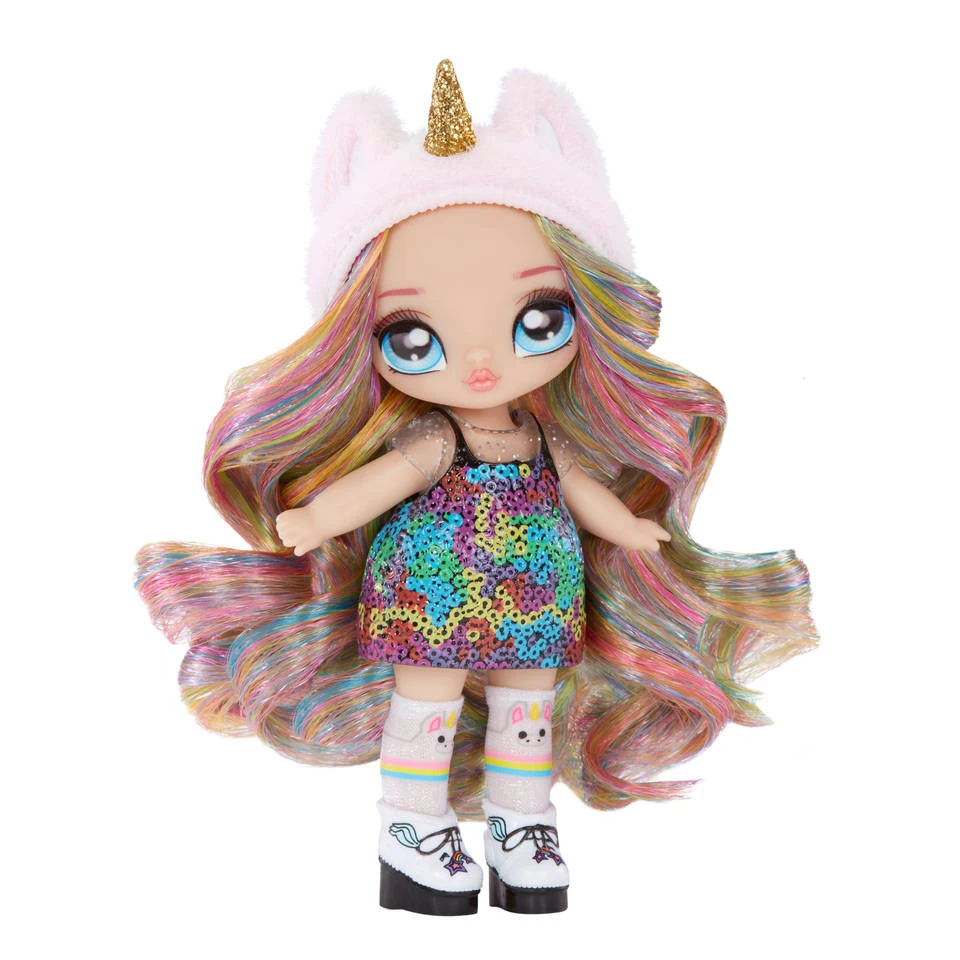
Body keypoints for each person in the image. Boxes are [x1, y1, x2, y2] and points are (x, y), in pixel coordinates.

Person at [136, 61, 817, 917]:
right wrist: (317, 515)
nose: (484, 362)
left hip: (538, 590)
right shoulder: (436, 437)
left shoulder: (543, 436)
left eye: (538, 321)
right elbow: (384, 479)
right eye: (416, 336)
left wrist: (630, 529)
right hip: (430, 591)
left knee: (526, 707)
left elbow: (582, 490)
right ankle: (411, 829)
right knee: (425, 700)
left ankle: (522, 824)